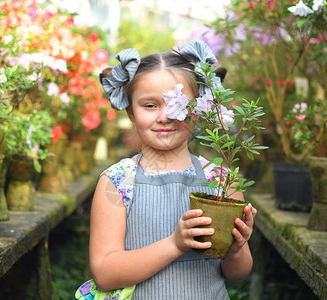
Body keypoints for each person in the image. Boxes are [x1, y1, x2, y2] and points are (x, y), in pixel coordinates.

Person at [77, 40, 257, 300]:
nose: (165, 116)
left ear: (198, 109)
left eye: (180, 105)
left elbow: (237, 274)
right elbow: (104, 272)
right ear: (130, 110)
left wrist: (237, 249)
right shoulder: (117, 181)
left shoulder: (221, 181)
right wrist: (174, 244)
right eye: (150, 105)